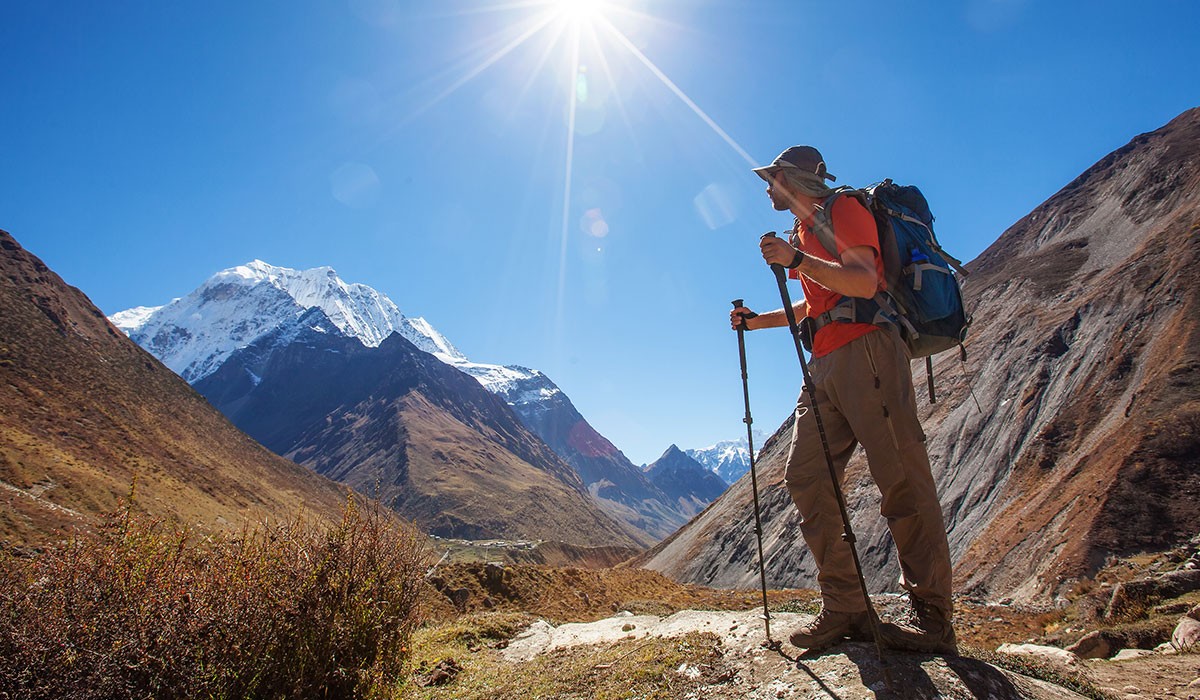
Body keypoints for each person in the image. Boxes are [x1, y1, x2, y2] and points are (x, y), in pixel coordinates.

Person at [730, 145, 956, 654]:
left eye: (772, 179)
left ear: (793, 179)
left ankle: (934, 621)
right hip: (826, 361)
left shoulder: (845, 209)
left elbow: (862, 279)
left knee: (900, 477)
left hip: (869, 350)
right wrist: (756, 322)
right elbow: (815, 302)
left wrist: (796, 259)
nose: (767, 188)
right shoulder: (804, 230)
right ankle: (846, 606)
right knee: (806, 475)